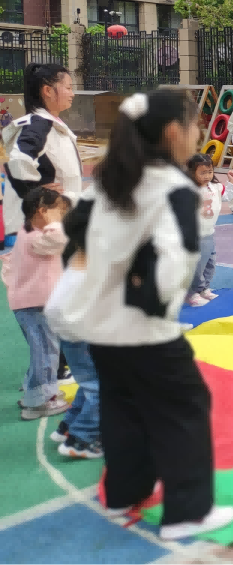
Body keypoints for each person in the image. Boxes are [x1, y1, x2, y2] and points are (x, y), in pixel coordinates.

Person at [67, 90, 233, 539]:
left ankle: (125, 490)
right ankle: (188, 511)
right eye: (194, 124)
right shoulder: (172, 186)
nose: (199, 133)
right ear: (171, 132)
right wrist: (150, 302)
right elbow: (175, 259)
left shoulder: (111, 178)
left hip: (101, 322)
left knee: (122, 406)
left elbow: (75, 226)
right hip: (145, 328)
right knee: (185, 407)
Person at [4, 187, 68, 419]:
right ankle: (39, 402)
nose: (61, 216)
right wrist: (54, 222)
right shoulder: (38, 237)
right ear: (42, 211)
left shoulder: (26, 231)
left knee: (42, 351)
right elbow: (62, 238)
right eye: (58, 211)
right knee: (45, 353)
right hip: (35, 305)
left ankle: (35, 394)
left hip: (30, 303)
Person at [45, 202, 103, 458]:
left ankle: (67, 426)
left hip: (70, 331)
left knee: (89, 382)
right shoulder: (92, 265)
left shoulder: (78, 256)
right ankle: (81, 439)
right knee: (102, 388)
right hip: (80, 333)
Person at [4, 63, 81, 244]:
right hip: (42, 229)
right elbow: (19, 159)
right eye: (68, 88)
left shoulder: (50, 123)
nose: (72, 94)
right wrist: (34, 192)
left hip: (53, 224)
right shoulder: (38, 125)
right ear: (48, 90)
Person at [186, 154, 232, 306]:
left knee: (210, 263)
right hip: (196, 234)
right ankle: (192, 293)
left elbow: (228, 196)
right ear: (192, 173)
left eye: (210, 171)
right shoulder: (190, 190)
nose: (207, 175)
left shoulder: (216, 187)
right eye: (202, 172)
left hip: (209, 232)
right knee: (197, 265)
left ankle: (204, 288)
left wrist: (232, 183)